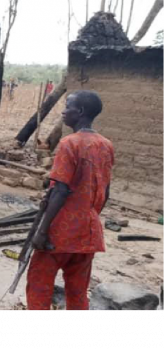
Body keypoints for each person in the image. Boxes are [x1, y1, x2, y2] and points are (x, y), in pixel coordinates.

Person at [27, 91, 114, 312]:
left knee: (39, 286)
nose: (64, 112)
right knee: (77, 291)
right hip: (88, 232)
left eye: (68, 106)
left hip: (60, 232)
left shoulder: (69, 144)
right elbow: (105, 191)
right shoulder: (106, 145)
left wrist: (42, 231)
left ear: (80, 111)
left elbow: (60, 190)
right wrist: (88, 218)